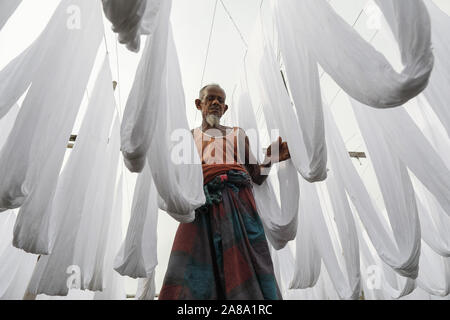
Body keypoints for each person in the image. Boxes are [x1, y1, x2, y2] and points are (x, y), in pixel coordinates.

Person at [159, 84, 291, 300]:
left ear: (225, 108)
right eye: (210, 99)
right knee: (188, 267)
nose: (215, 104)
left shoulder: (237, 135)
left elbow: (256, 175)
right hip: (202, 204)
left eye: (220, 101)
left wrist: (270, 158)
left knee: (244, 264)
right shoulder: (189, 137)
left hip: (238, 205)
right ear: (198, 104)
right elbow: (180, 177)